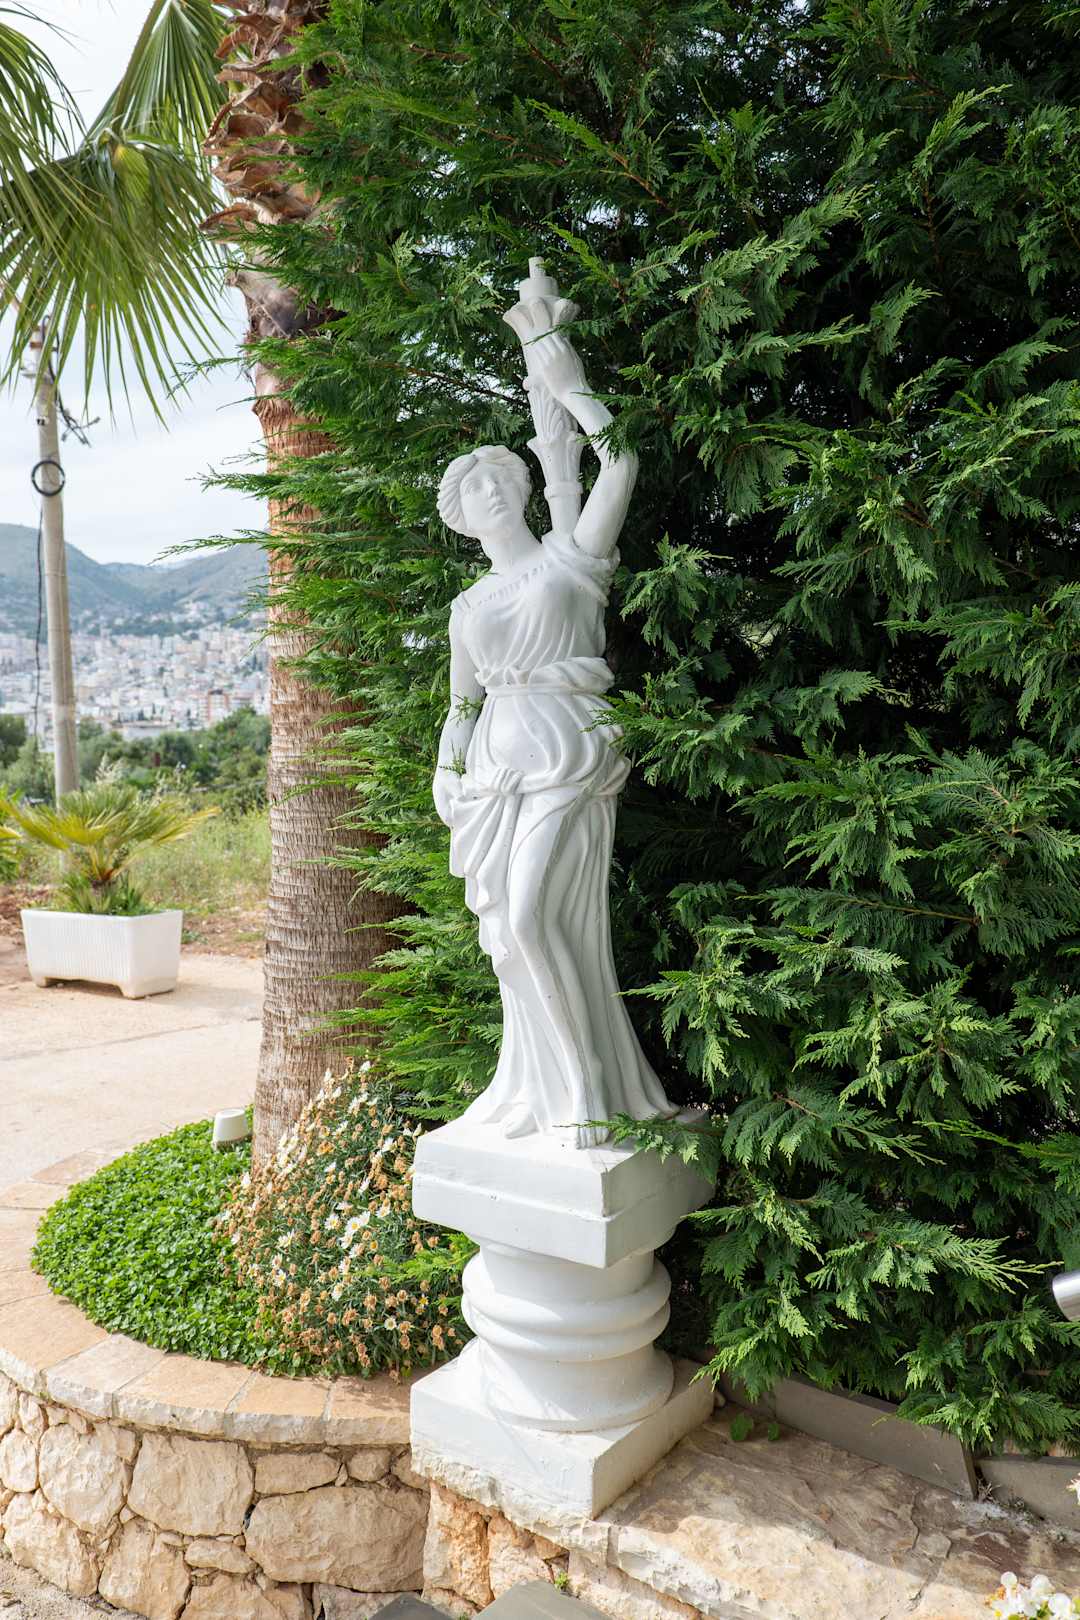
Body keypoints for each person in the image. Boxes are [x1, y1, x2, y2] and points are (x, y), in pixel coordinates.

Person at [433, 329, 677, 1149]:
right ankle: (542, 1084)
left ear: (524, 490)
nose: (491, 494)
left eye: (501, 481)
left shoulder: (573, 556)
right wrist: (445, 768)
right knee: (510, 934)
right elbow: (461, 704)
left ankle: (585, 1083)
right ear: (462, 519)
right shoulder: (467, 607)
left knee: (533, 915)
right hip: (495, 772)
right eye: (475, 491)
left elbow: (621, 463)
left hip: (569, 751)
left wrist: (570, 385)